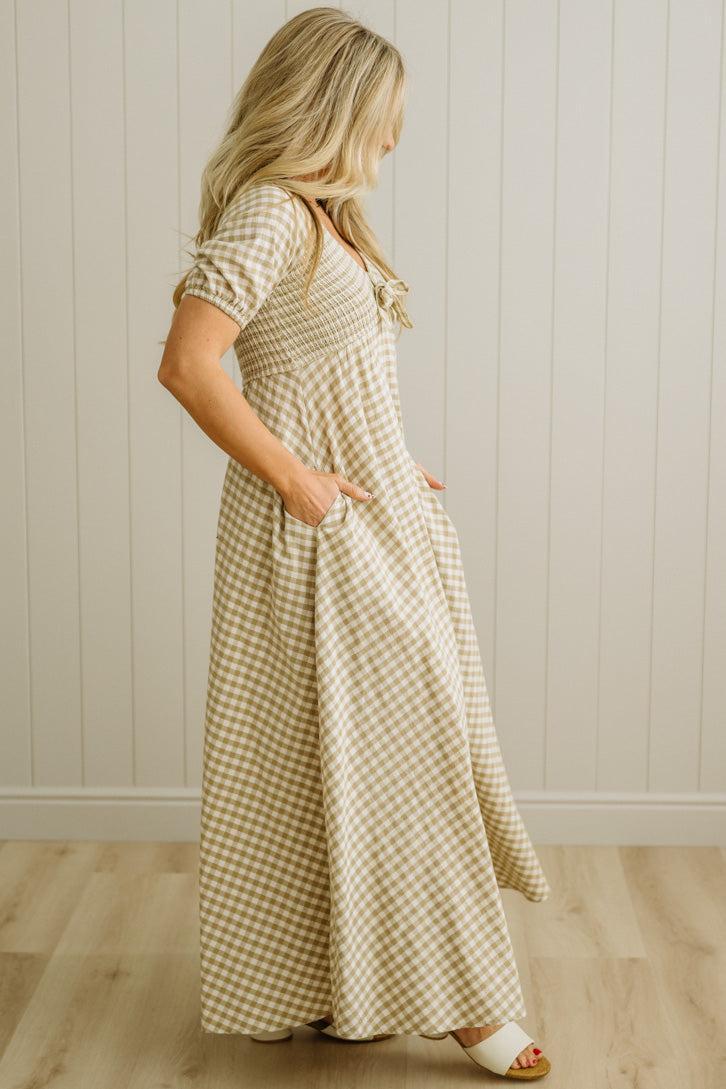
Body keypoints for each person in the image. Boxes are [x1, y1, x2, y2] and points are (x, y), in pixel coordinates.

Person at [158, 6, 552, 1081]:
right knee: (403, 757)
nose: (395, 139)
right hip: (314, 536)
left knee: (344, 753)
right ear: (332, 106)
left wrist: (379, 459)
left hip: (366, 516)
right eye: (384, 117)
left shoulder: (326, 219)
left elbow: (329, 381)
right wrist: (302, 481)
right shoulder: (270, 215)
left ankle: (333, 986)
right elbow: (191, 366)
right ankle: (475, 1005)